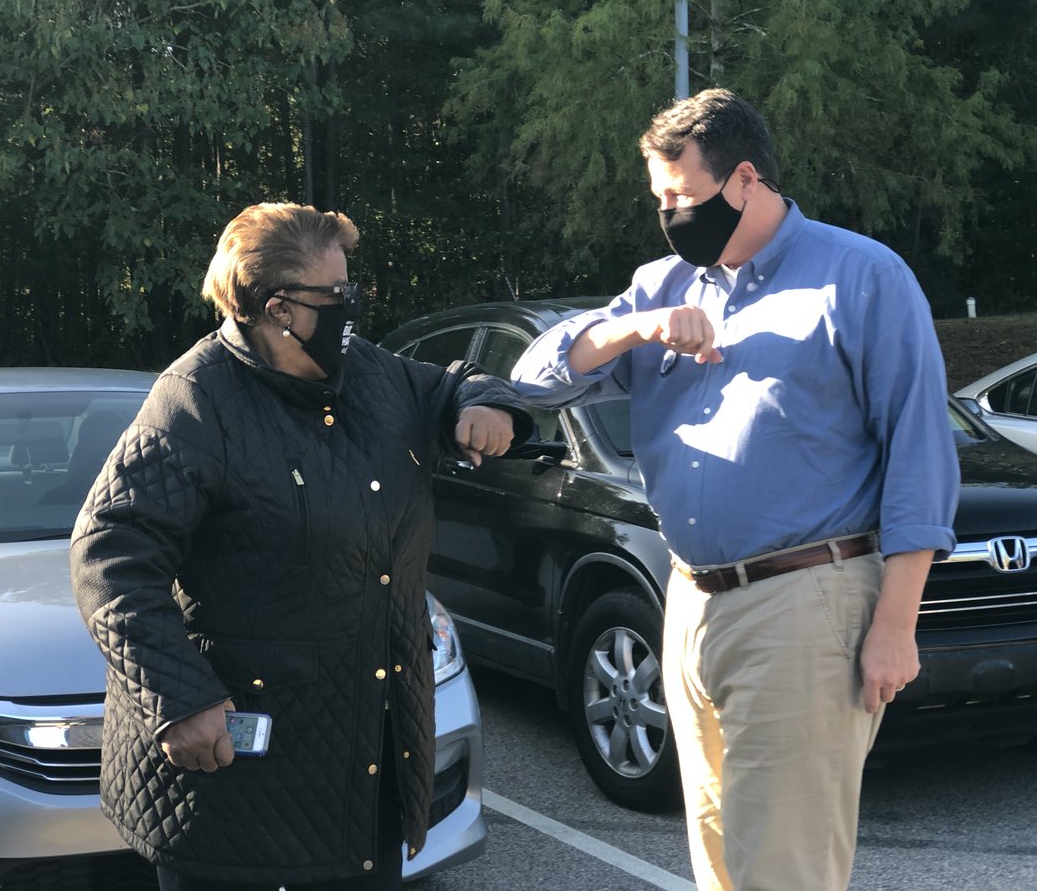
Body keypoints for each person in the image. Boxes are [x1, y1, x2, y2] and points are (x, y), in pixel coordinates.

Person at [510, 89, 958, 890]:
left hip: (806, 600)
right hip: (687, 597)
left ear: (744, 179)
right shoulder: (663, 284)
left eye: (680, 196)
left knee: (781, 868)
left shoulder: (860, 277)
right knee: (720, 856)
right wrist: (635, 328)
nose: (669, 215)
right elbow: (534, 381)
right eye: (660, 200)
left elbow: (920, 459)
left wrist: (898, 623)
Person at [71, 202, 531, 891]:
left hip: (365, 767)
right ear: (280, 307)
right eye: (335, 296)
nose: (351, 309)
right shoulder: (196, 400)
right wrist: (177, 696)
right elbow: (109, 556)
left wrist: (487, 405)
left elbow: (459, 381)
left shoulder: (376, 377)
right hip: (236, 784)